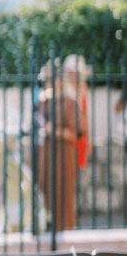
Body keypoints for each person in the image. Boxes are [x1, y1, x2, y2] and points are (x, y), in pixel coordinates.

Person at [37, 61, 81, 232]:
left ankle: (64, 230)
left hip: (64, 155)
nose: (47, 82)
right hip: (45, 153)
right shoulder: (43, 101)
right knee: (43, 190)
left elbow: (74, 134)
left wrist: (53, 130)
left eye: (50, 78)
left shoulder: (70, 102)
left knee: (62, 191)